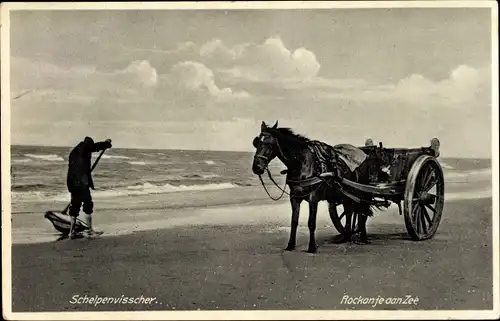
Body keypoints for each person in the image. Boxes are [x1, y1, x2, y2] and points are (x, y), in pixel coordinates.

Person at [67, 136, 112, 238]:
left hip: (72, 183)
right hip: (82, 184)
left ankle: (71, 232)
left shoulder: (74, 152)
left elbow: (72, 169)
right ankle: (90, 230)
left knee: (74, 207)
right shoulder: (86, 148)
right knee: (88, 205)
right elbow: (95, 147)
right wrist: (106, 144)